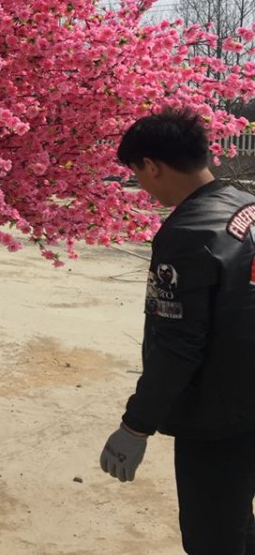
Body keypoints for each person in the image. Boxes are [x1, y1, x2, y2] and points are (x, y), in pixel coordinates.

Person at [99, 107, 255, 555]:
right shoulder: (244, 206)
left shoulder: (187, 233)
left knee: (212, 537)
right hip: (249, 400)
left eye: (137, 174)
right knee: (238, 522)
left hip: (217, 413)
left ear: (152, 165)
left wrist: (134, 426)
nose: (142, 188)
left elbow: (177, 347)